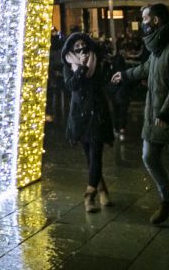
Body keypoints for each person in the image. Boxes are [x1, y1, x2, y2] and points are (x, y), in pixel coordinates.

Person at [111, 4, 169, 240]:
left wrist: (167, 112)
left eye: (145, 18)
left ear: (156, 20)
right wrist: (126, 75)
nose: (143, 22)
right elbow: (148, 68)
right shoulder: (157, 45)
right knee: (148, 157)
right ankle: (168, 199)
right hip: (154, 114)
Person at [63, 31, 114, 212]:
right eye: (76, 47)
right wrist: (82, 68)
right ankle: (102, 189)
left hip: (97, 113)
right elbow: (71, 86)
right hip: (80, 115)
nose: (81, 49)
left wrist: (106, 66)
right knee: (89, 156)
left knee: (96, 154)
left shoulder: (96, 60)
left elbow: (103, 82)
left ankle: (89, 195)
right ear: (70, 49)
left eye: (83, 45)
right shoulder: (69, 65)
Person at [109, 37, 143, 141]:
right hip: (122, 91)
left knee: (116, 111)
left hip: (115, 91)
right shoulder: (121, 62)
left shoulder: (115, 60)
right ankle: (121, 129)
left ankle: (117, 129)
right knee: (122, 111)